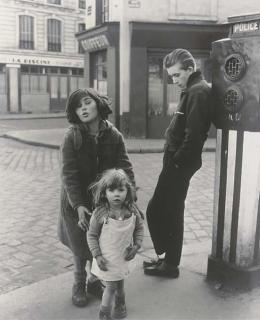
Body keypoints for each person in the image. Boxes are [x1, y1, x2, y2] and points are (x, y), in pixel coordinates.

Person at [58, 88, 136, 307]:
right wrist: (79, 205)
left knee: (100, 241)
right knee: (79, 244)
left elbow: (125, 166)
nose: (82, 108)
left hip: (103, 201)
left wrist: (131, 194)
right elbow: (68, 174)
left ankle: (94, 280)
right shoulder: (71, 136)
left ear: (98, 104)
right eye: (77, 106)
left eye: (86, 103)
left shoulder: (114, 135)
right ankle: (78, 283)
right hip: (76, 201)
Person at [143, 49, 212, 278]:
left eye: (176, 75)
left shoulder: (198, 92)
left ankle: (170, 265)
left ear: (190, 69)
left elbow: (194, 137)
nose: (174, 80)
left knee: (163, 211)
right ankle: (167, 259)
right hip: (175, 159)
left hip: (179, 161)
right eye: (171, 76)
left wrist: (176, 162)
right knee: (164, 210)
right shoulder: (191, 89)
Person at [87, 169, 144, 320]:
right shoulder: (100, 213)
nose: (116, 194)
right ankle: (104, 314)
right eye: (111, 190)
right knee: (110, 286)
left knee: (120, 282)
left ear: (128, 191)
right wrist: (97, 255)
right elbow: (91, 235)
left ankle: (120, 303)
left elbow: (139, 228)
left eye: (121, 189)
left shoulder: (132, 211)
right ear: (105, 193)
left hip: (123, 256)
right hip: (106, 258)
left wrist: (137, 246)